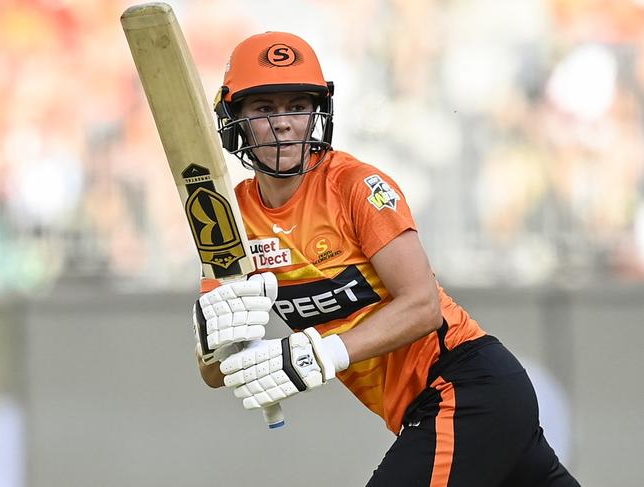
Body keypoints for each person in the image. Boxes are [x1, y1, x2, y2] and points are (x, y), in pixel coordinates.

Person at [193, 31, 580, 487]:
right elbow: (216, 372)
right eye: (263, 109)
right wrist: (214, 344)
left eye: (297, 105)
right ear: (233, 118)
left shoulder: (355, 186)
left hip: (464, 385)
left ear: (316, 112)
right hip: (431, 409)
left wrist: (323, 352)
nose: (284, 123)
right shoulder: (230, 218)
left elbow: (422, 305)